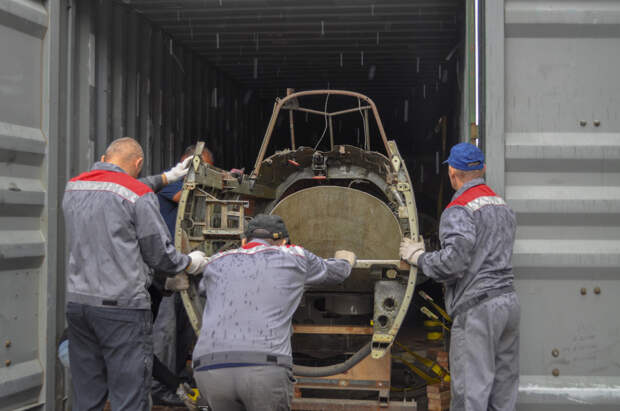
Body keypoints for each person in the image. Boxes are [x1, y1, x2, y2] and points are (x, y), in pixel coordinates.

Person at [62, 137, 209, 410]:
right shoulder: (138, 195)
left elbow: (115, 188)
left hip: (79, 306)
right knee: (130, 396)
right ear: (138, 163)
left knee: (87, 396)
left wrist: (167, 177)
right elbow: (159, 255)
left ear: (105, 159)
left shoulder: (75, 186)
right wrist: (190, 263)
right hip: (122, 310)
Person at [192, 214, 356, 410]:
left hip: (209, 368)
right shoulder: (295, 256)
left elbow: (203, 289)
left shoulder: (216, 261)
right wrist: (345, 260)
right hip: (263, 367)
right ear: (284, 242)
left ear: (244, 241)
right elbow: (337, 273)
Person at [399, 142, 520, 411]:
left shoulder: (459, 209)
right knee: (503, 394)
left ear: (452, 173)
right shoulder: (502, 206)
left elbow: (453, 264)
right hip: (508, 305)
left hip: (478, 310)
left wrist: (418, 257)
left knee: (470, 395)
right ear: (483, 169)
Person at [150, 144, 214, 407]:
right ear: (187, 164)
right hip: (168, 274)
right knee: (165, 332)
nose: (206, 174)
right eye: (203, 168)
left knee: (186, 330)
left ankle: (175, 379)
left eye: (209, 169)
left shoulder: (197, 188)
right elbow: (188, 198)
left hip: (189, 270)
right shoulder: (172, 186)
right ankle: (158, 388)